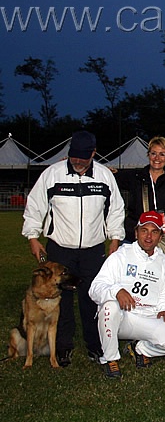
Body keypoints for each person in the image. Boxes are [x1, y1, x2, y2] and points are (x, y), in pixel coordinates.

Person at [22, 130, 125, 367]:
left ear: (93, 153)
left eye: (83, 157)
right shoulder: (53, 174)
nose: (77, 162)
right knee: (62, 301)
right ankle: (63, 348)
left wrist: (115, 238)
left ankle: (94, 346)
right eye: (74, 157)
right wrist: (32, 237)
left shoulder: (104, 177)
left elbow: (116, 209)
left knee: (93, 298)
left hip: (93, 250)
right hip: (60, 250)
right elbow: (35, 205)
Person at [88, 211, 165, 378]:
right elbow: (94, 289)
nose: (148, 237)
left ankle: (141, 348)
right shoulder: (120, 256)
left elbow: (164, 293)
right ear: (136, 233)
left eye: (154, 232)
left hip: (149, 317)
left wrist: (164, 310)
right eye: (144, 230)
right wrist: (116, 291)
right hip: (122, 318)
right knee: (109, 307)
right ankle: (110, 359)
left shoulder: (164, 262)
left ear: (160, 236)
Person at [114, 136, 165, 256]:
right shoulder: (135, 177)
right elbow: (109, 178)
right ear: (148, 155)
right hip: (135, 237)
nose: (157, 158)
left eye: (162, 154)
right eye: (153, 153)